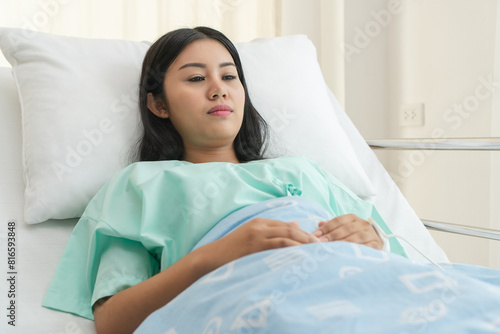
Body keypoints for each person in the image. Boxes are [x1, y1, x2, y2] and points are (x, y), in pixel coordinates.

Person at [43, 26, 390, 333]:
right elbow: (113, 322)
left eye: (229, 77)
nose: (218, 90)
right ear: (158, 104)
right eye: (196, 78)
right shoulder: (142, 185)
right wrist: (216, 255)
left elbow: (401, 265)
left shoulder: (301, 171)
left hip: (365, 300)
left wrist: (375, 240)